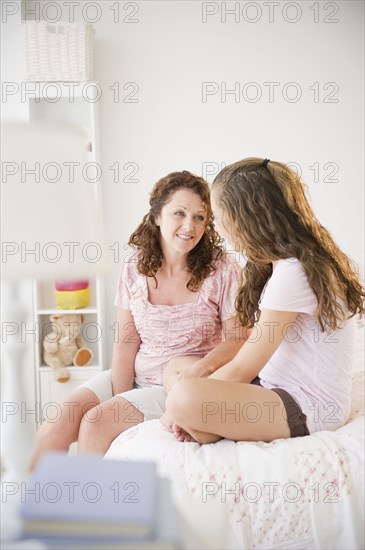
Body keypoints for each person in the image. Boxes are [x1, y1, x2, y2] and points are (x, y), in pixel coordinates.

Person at [30, 170, 244, 465]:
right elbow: (125, 342)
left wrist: (115, 409)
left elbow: (238, 339)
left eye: (199, 217)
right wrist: (120, 396)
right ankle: (35, 506)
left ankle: (86, 509)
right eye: (178, 213)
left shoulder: (222, 268)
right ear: (157, 216)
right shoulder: (134, 265)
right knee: (58, 422)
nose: (189, 226)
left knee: (96, 423)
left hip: (181, 385)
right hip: (136, 376)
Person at [165, 158, 364, 444]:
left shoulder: (293, 273)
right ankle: (201, 423)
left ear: (247, 219)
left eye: (219, 216)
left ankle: (198, 423)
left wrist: (177, 409)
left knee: (183, 397)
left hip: (306, 408)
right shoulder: (286, 263)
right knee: (177, 367)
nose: (215, 226)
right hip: (274, 387)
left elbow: (243, 367)